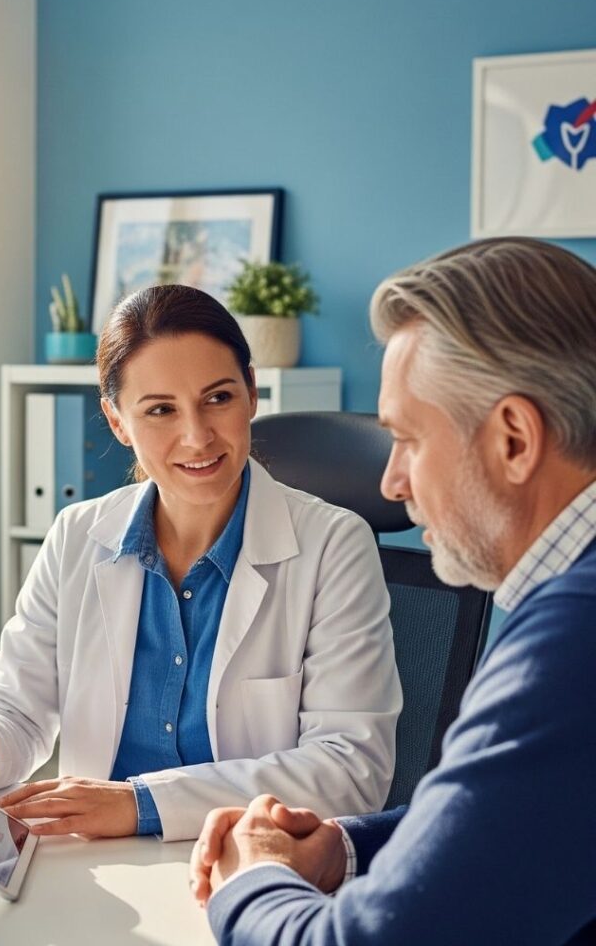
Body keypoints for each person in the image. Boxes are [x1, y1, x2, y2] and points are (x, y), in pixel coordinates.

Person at [0, 284, 401, 842]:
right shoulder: (78, 535)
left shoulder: (335, 545)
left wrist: (141, 805)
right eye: (160, 410)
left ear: (251, 392)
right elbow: (19, 708)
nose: (196, 436)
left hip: (251, 862)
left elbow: (349, 769)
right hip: (98, 865)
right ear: (118, 421)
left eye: (218, 398)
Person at [190, 237, 596, 944]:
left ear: (513, 440)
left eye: (407, 439)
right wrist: (342, 849)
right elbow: (521, 820)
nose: (391, 483)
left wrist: (250, 878)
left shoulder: (573, 645)